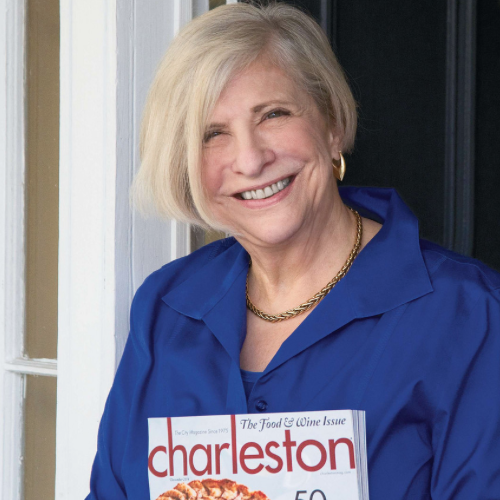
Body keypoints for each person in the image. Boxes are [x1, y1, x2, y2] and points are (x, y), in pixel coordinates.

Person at [85, 3, 500, 499]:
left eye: (273, 114)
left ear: (331, 124)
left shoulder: (468, 313)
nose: (250, 159)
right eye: (213, 134)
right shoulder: (165, 306)